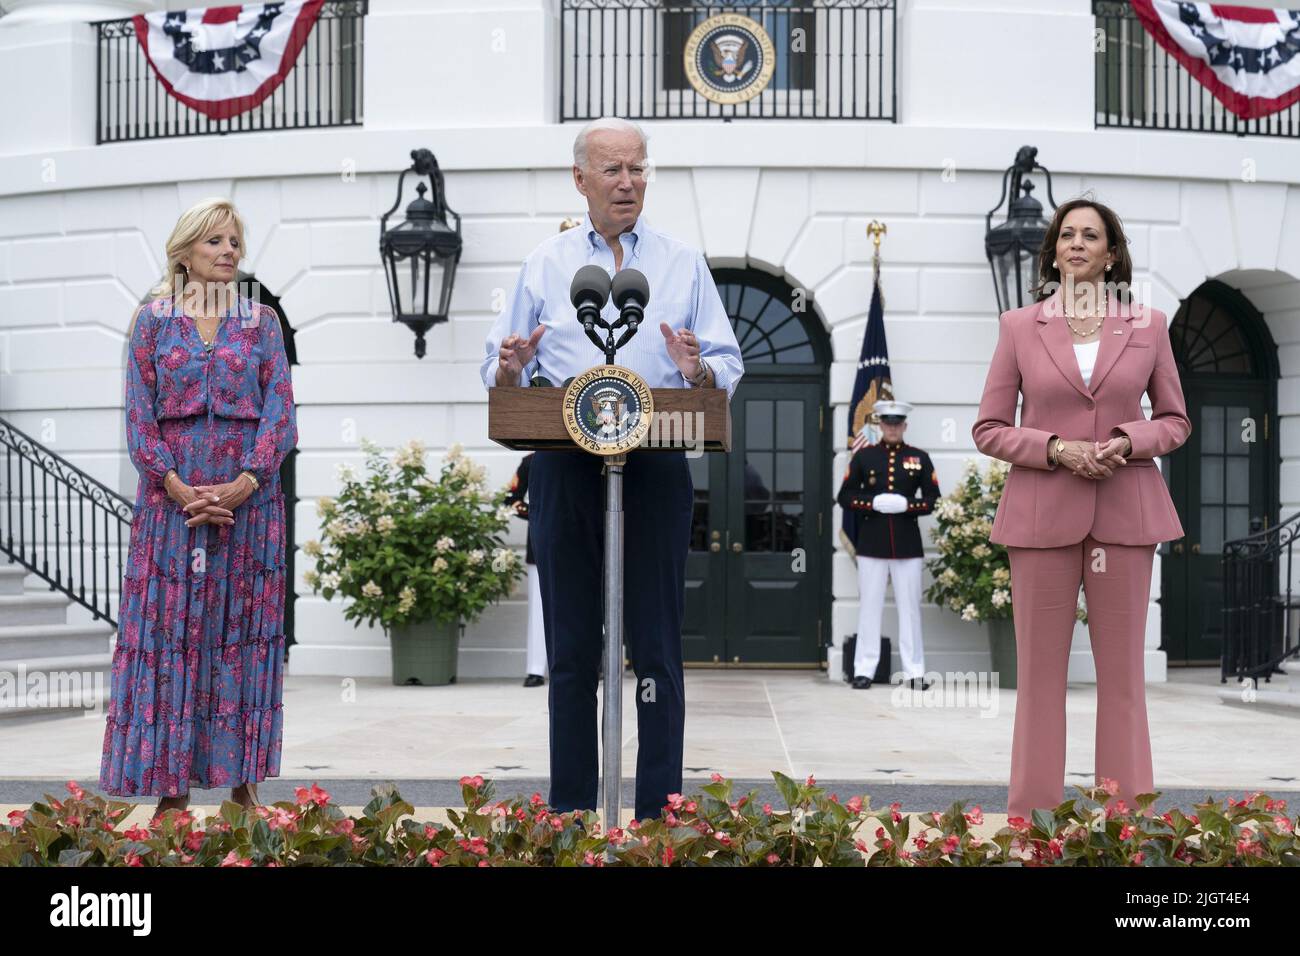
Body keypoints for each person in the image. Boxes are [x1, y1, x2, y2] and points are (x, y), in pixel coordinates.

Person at [481, 116, 744, 823]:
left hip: (655, 467)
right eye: (612, 170)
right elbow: (501, 365)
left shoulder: (682, 262)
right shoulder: (546, 264)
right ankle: (571, 812)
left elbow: (726, 360)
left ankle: (660, 815)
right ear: (581, 179)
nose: (627, 182)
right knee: (571, 650)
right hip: (564, 468)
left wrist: (699, 370)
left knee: (655, 650)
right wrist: (510, 369)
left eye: (637, 169)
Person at [971, 198, 1190, 820]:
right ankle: (1032, 823)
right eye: (1066, 234)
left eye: (1090, 235)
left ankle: (1125, 823)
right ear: (1054, 251)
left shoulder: (1149, 325)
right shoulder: (1019, 326)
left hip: (1126, 516)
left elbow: (1175, 421)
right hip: (1041, 518)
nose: (1076, 243)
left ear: (1111, 253)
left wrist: (1128, 440)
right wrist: (1056, 449)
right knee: (1040, 680)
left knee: (1122, 680)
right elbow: (988, 428)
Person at [99, 197, 298, 822]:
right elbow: (138, 414)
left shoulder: (262, 323)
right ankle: (172, 793)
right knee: (171, 639)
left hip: (251, 507)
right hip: (170, 510)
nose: (228, 251)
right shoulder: (152, 323)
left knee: (241, 638)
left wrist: (246, 480)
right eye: (214, 241)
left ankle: (243, 789)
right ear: (184, 252)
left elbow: (281, 412)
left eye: (235, 241)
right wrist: (177, 485)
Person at [836, 400, 940, 691]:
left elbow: (933, 499)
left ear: (904, 426)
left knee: (910, 609)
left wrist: (909, 505)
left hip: (907, 544)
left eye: (897, 424)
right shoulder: (864, 457)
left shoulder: (919, 458)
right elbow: (845, 496)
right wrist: (872, 503)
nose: (892, 428)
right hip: (872, 543)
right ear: (880, 425)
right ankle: (864, 670)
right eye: (888, 423)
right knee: (869, 607)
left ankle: (914, 671)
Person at [505, 453, 547, 687]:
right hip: (542, 542)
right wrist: (541, 513)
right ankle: (535, 668)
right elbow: (511, 499)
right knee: (540, 610)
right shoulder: (531, 461)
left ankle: (597, 663)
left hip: (587, 539)